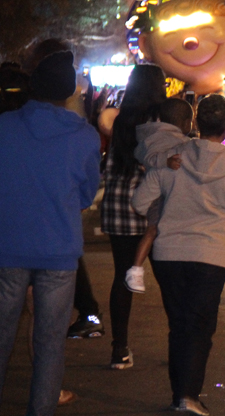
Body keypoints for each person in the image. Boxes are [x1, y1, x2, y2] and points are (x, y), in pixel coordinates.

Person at [132, 95, 225, 415]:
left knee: (179, 324)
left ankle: (181, 395)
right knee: (199, 327)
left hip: (168, 254)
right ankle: (187, 396)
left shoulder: (172, 159)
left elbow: (140, 202)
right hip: (211, 256)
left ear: (196, 124)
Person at [0, 50, 101, 416]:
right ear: (69, 91)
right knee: (50, 340)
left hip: (8, 245)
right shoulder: (84, 136)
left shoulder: (5, 126)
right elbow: (87, 195)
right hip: (59, 249)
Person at [100, 64, 168, 369]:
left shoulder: (121, 119)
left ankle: (119, 349)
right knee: (168, 279)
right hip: (152, 208)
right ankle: (180, 344)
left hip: (118, 206)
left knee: (122, 277)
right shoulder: (160, 121)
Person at [124, 97, 195, 293]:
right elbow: (152, 158)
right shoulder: (167, 141)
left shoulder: (152, 137)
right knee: (153, 230)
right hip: (158, 194)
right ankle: (136, 270)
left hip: (160, 192)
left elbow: (143, 155)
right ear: (185, 123)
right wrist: (166, 160)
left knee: (155, 231)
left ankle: (137, 269)